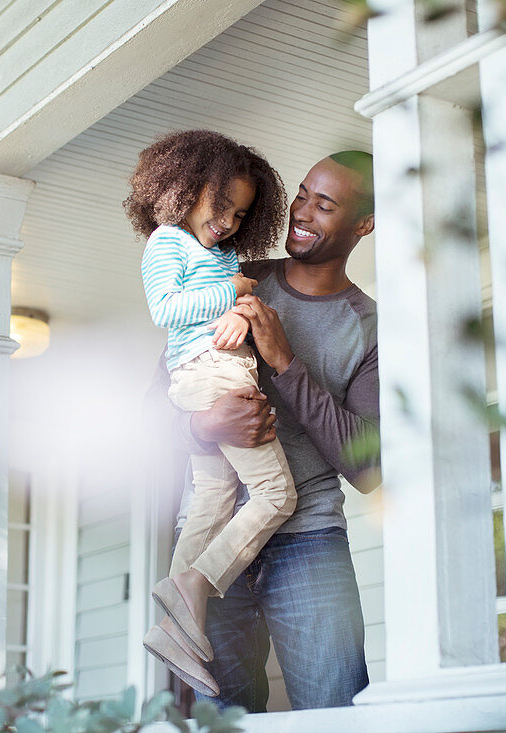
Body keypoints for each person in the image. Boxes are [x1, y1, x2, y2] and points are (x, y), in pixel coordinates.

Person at [161, 151, 380, 711]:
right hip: (211, 530)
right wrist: (201, 427)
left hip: (307, 539)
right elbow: (153, 401)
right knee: (220, 721)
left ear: (363, 225)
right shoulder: (231, 277)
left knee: (334, 714)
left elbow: (369, 468)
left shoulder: (370, 327)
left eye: (324, 204)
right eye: (301, 194)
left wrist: (286, 363)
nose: (301, 212)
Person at [124, 130, 297, 696]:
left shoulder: (219, 253)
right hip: (206, 375)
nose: (226, 222)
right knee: (276, 495)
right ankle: (195, 583)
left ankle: (176, 627)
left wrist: (243, 308)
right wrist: (236, 292)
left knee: (214, 498)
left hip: (222, 367)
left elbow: (229, 308)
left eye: (240, 213)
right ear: (185, 189)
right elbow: (166, 310)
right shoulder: (167, 242)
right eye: (219, 205)